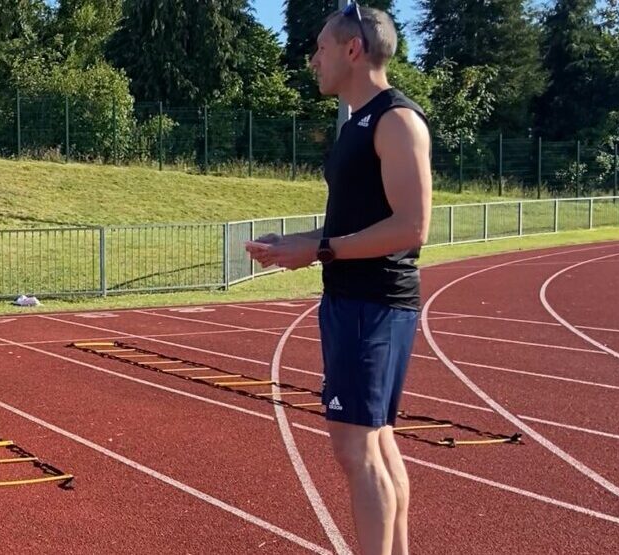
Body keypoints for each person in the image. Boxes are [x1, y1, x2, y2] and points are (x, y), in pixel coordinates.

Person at [245, 5, 431, 555]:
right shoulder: (359, 123)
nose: (313, 59)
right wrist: (296, 242)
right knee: (377, 446)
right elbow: (359, 220)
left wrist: (320, 250)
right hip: (361, 301)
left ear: (353, 49)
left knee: (357, 452)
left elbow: (412, 227)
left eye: (321, 47)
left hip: (370, 305)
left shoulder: (395, 119)